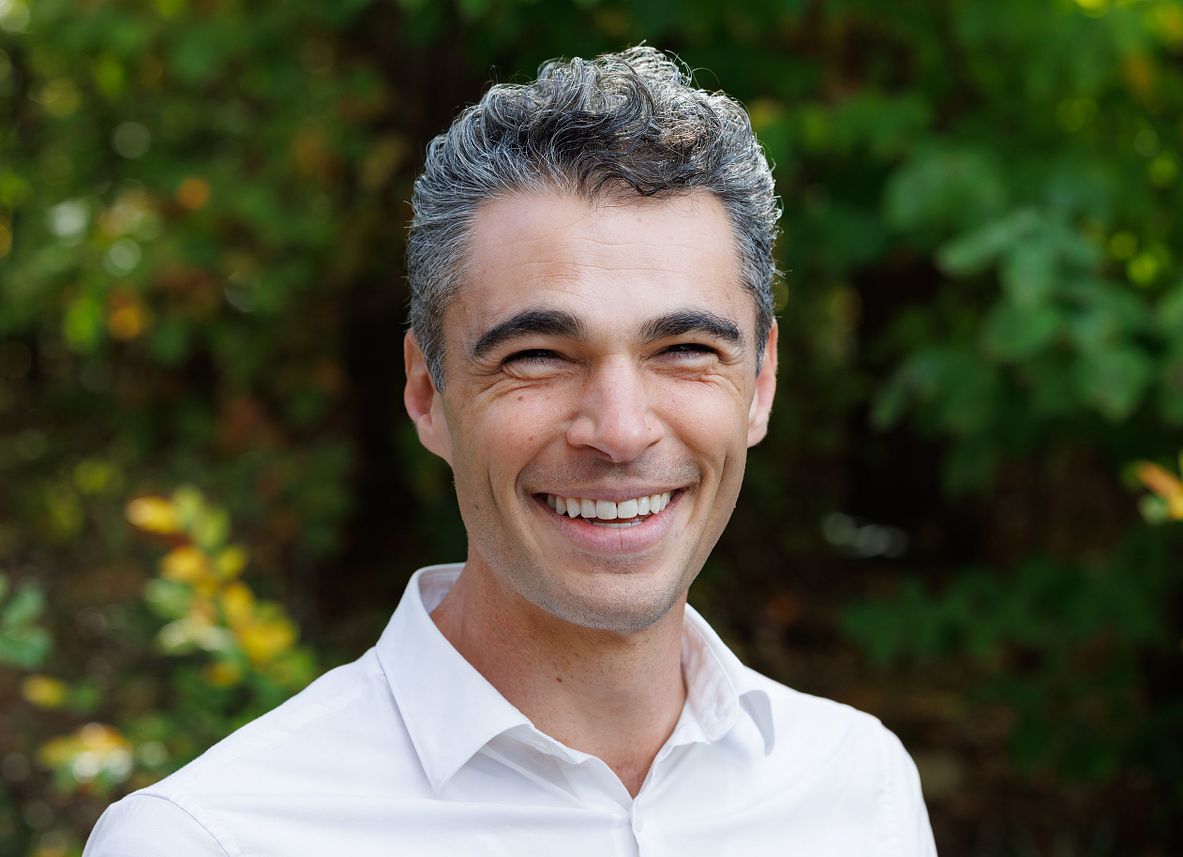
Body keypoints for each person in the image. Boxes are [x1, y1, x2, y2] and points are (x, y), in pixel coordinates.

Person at [84, 46, 936, 855]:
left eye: (684, 349)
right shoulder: (208, 838)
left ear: (759, 383)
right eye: (537, 355)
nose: (621, 429)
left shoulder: (858, 789)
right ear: (428, 393)